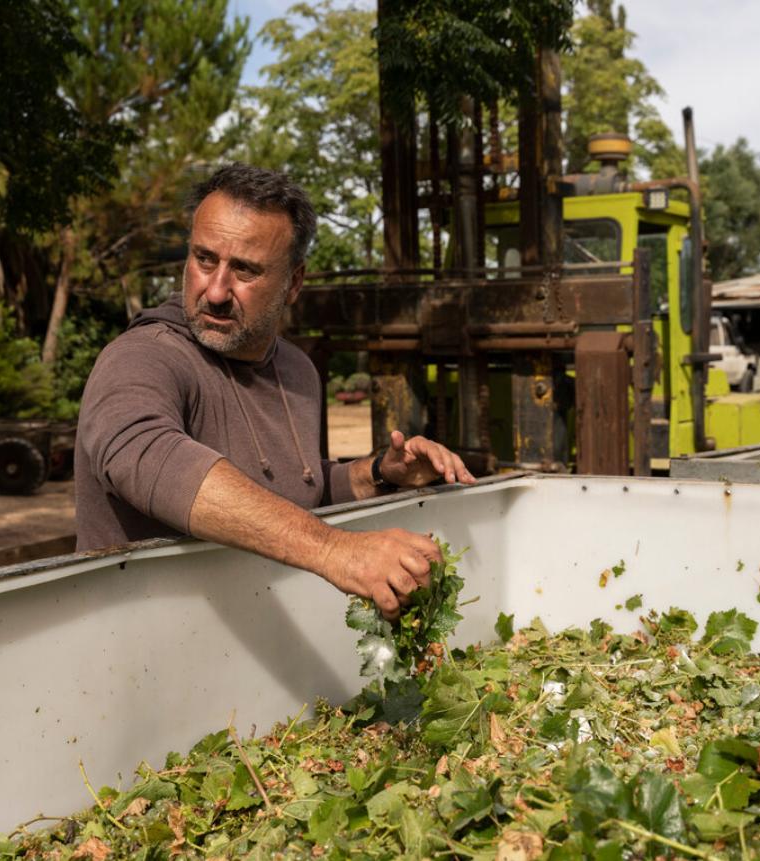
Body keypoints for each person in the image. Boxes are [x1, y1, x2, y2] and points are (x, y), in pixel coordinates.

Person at [74, 164, 475, 620]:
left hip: (258, 653)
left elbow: (301, 490)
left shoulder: (298, 371)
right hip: (133, 651)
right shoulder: (142, 356)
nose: (218, 290)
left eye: (245, 270)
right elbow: (145, 456)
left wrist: (380, 474)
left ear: (294, 284)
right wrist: (335, 550)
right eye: (205, 259)